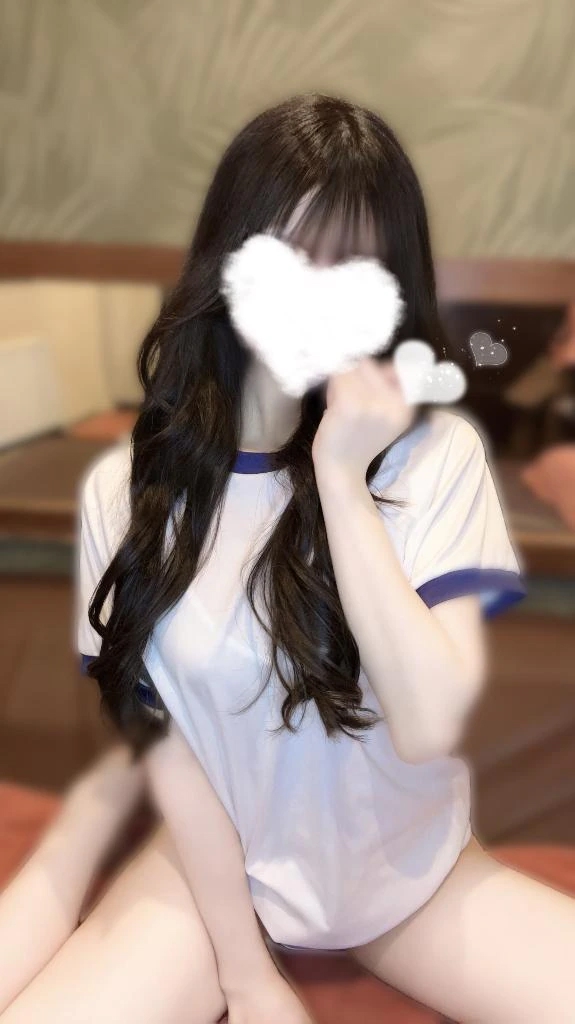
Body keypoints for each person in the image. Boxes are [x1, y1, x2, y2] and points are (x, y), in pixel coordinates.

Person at [2, 92, 575, 1024]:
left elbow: (428, 721)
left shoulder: (434, 457)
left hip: (412, 878)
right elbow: (167, 742)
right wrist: (246, 974)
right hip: (218, 875)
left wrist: (340, 476)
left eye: (356, 264)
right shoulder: (127, 489)